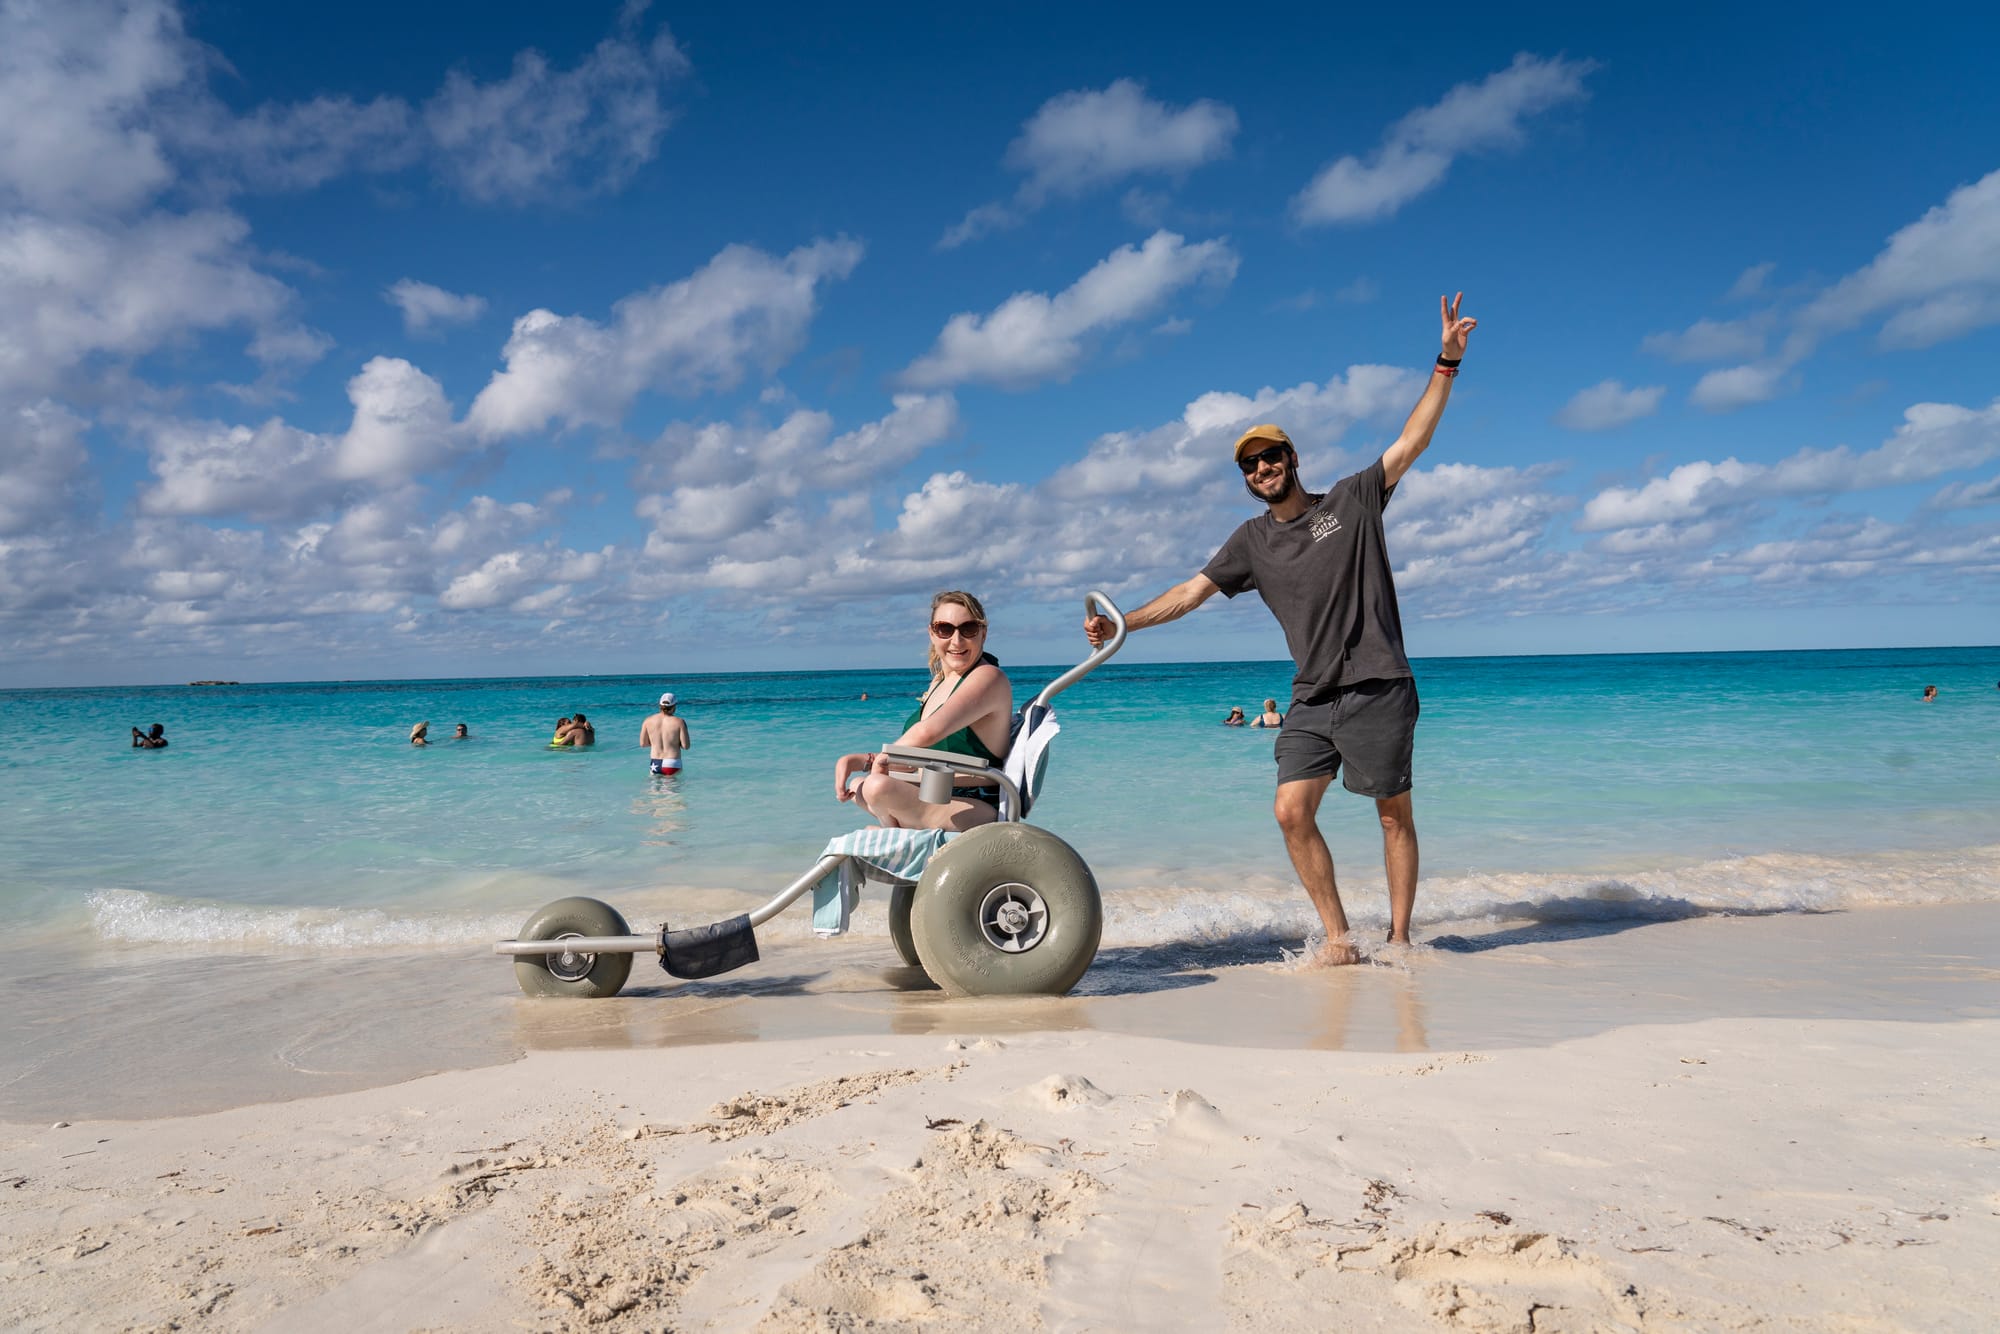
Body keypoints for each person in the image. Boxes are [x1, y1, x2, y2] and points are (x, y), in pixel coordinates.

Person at [1085, 293, 1478, 964]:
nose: (1261, 469)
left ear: (1292, 458)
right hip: (1312, 696)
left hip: (1380, 685)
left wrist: (1446, 361)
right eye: (1248, 464)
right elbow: (1189, 593)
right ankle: (1339, 938)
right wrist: (1126, 623)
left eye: (1270, 457)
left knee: (1392, 815)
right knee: (1291, 812)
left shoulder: (1351, 502)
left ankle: (1403, 940)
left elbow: (1412, 442)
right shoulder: (1249, 541)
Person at [834, 590, 1011, 830]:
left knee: (876, 787)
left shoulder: (988, 677)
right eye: (945, 629)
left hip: (973, 805)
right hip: (934, 793)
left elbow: (929, 733)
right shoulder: (940, 680)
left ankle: (891, 832)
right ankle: (894, 831)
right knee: (858, 785)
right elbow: (919, 759)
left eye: (968, 629)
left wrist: (876, 759)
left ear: (983, 633)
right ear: (932, 633)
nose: (956, 640)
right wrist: (864, 762)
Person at [641, 692, 691, 775]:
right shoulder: (679, 722)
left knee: (653, 787)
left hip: (655, 763)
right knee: (671, 787)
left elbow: (643, 744)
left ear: (659, 705)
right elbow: (686, 746)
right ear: (674, 706)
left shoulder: (647, 720)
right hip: (672, 763)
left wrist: (656, 742)